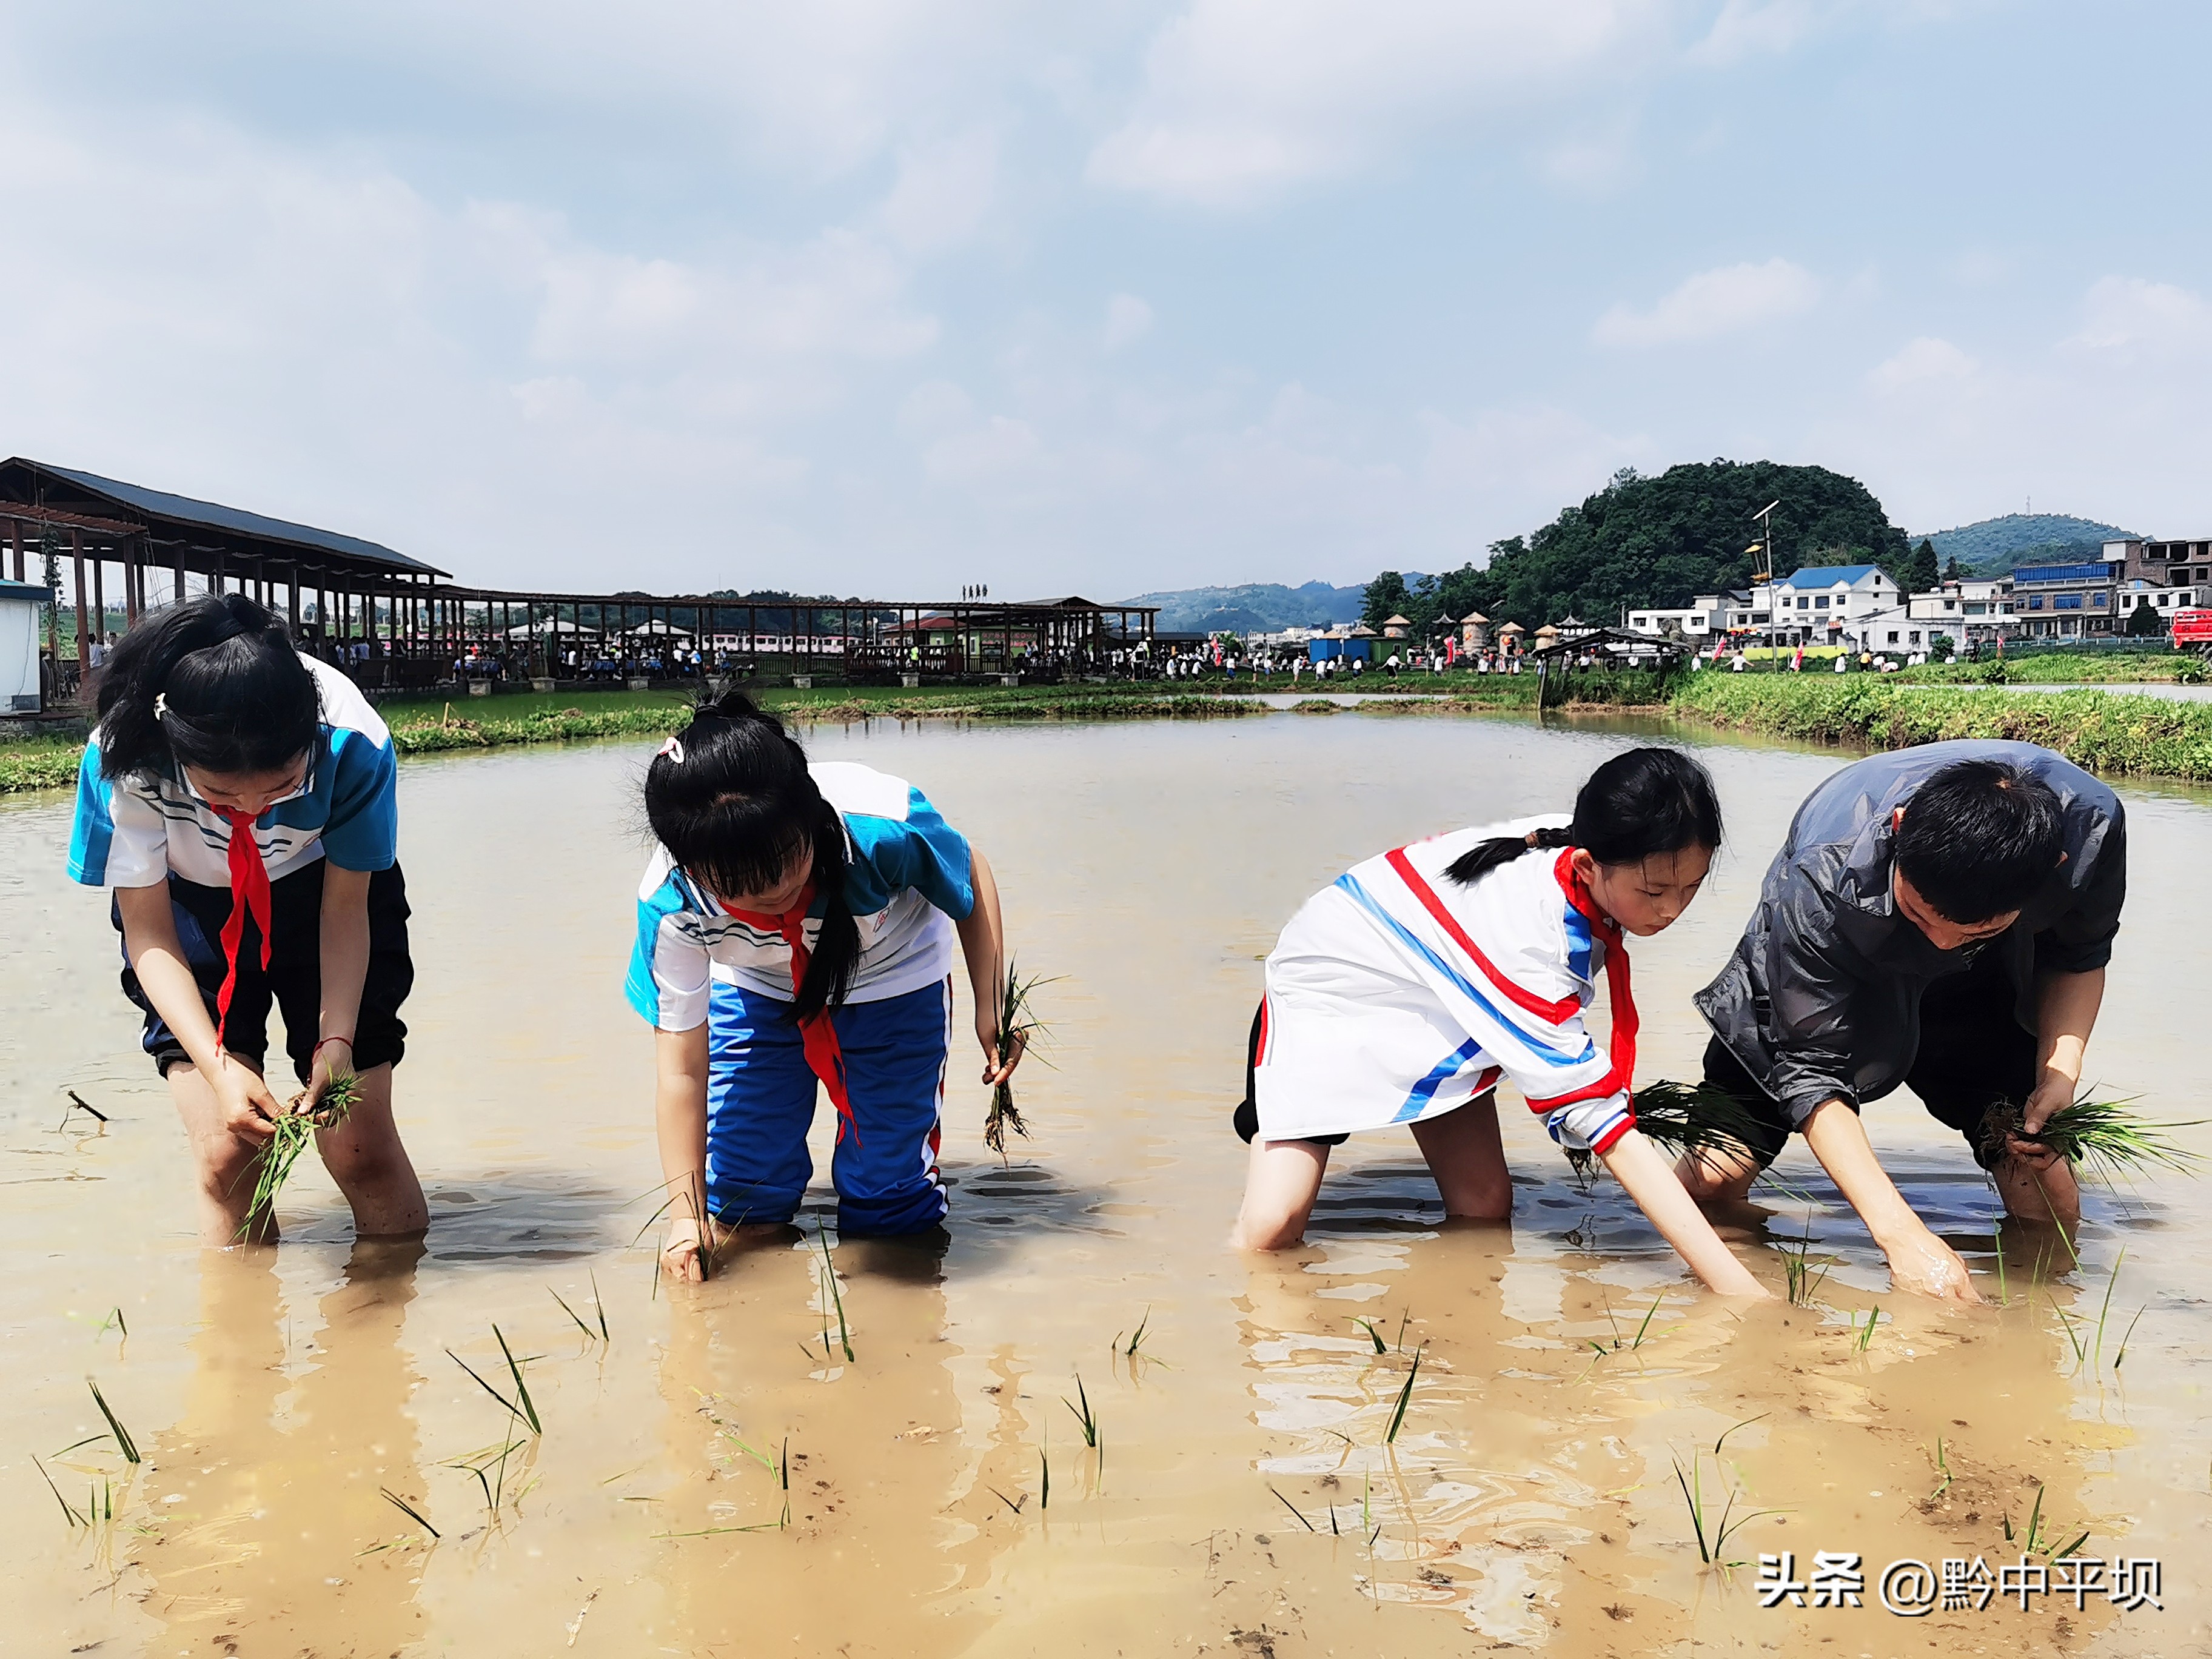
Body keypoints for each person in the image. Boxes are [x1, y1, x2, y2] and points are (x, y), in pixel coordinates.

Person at [1230, 747, 1768, 1297]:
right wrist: (1740, 1292)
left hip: (1438, 994)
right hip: (1334, 986)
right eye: (1654, 892)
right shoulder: (1530, 942)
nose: (1673, 909)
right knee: (1272, 1231)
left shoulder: (1599, 843)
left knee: (1483, 1207)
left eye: (1692, 887)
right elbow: (1605, 1125)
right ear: (1587, 866)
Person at [1683, 742, 2125, 1301]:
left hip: (1985, 973)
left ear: (2051, 871)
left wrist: (2057, 1075)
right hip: (1842, 945)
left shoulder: (2090, 833)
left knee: (2044, 1186)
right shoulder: (1822, 869)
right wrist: (1900, 1236)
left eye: (1969, 928)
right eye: (1921, 914)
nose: (1938, 941)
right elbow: (1810, 1069)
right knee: (1712, 1179)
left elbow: (2078, 956)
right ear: (1898, 829)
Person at [67, 594, 426, 1244]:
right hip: (190, 913)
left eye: (283, 785)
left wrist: (336, 1043)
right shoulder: (123, 757)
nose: (254, 810)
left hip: (324, 894)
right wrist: (219, 1067)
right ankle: (241, 1340)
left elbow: (348, 908)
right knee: (229, 1157)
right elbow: (147, 929)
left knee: (357, 1147)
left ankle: (382, 1326)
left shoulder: (353, 742)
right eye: (222, 794)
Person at [630, 691, 1025, 1279]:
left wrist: (988, 1007)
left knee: (887, 1199)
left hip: (894, 979)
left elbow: (971, 870)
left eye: (787, 862)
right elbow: (682, 1069)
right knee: (743, 1192)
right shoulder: (671, 903)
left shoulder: (881, 829)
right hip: (757, 986)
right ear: (690, 868)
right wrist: (685, 1220)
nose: (772, 892)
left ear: (809, 816)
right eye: (737, 884)